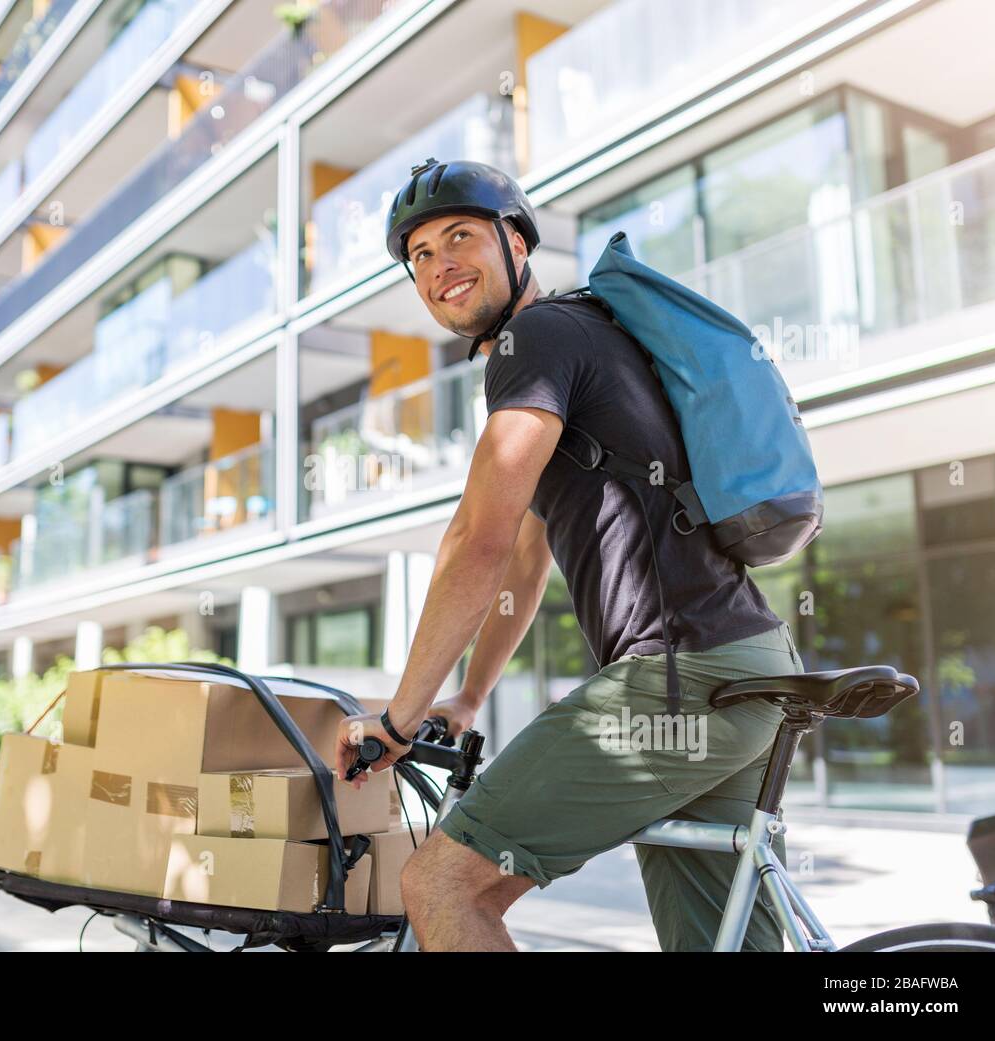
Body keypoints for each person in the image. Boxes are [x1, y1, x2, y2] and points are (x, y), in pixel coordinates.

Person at [333, 157, 806, 952]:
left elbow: (474, 540)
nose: (439, 264)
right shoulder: (590, 336)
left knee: (443, 882)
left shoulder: (534, 339)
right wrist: (470, 696)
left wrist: (398, 717)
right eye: (419, 256)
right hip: (748, 670)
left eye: (460, 237)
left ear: (516, 242)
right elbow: (522, 552)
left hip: (678, 680)